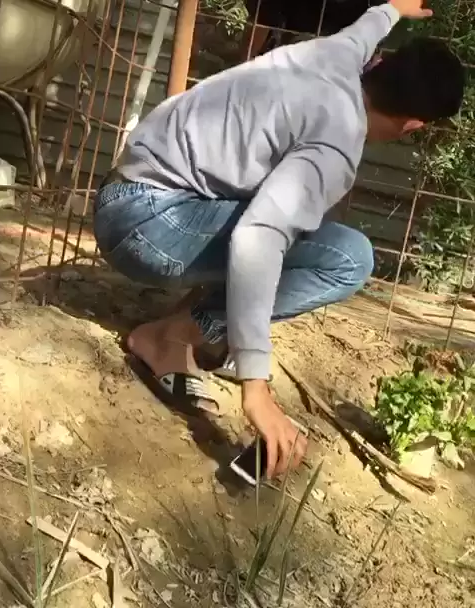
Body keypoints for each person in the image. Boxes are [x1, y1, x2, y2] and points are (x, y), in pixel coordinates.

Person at [93, 0, 465, 481]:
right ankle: (172, 337)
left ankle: (193, 332)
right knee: (347, 258)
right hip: (147, 225)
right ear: (414, 125)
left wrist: (392, 9)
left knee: (295, 216)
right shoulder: (336, 144)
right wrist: (257, 387)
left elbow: (364, 29)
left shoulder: (336, 54)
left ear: (380, 63)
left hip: (131, 194)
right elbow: (258, 238)